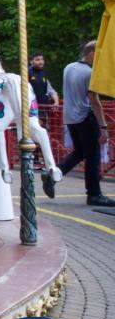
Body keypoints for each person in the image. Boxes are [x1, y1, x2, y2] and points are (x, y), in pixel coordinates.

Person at [59, 40, 113, 206]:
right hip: (85, 118)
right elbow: (94, 101)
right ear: (91, 53)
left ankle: (55, 172)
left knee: (80, 152)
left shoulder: (69, 67)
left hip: (71, 119)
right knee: (93, 157)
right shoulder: (90, 73)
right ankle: (94, 194)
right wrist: (103, 126)